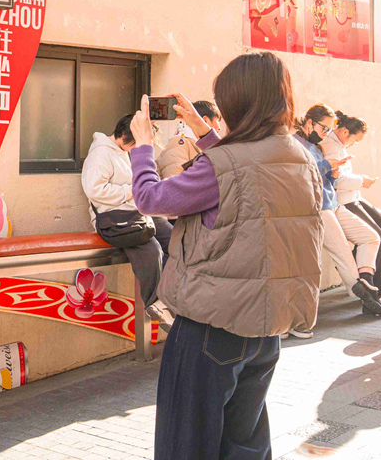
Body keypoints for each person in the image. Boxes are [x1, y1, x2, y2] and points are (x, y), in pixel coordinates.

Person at [128, 52, 322, 460]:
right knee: (245, 445)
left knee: (187, 445)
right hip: (267, 329)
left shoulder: (223, 165)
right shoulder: (302, 158)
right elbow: (245, 175)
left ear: (237, 103)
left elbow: (150, 198)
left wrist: (143, 148)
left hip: (209, 329)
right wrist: (205, 134)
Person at [81, 114, 174, 330]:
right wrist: (133, 191)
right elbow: (95, 190)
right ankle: (157, 304)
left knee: (175, 240)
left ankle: (172, 296)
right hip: (114, 220)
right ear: (123, 133)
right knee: (152, 250)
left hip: (136, 214)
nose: (136, 147)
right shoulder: (101, 153)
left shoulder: (125, 152)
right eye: (135, 142)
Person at [294, 104, 381, 326]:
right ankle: (368, 297)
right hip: (317, 208)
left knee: (371, 237)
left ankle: (367, 287)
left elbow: (325, 181)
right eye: (325, 129)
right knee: (342, 253)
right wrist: (327, 165)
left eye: (329, 130)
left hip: (332, 204)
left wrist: (332, 174)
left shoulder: (316, 146)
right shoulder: (295, 144)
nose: (326, 134)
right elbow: (299, 176)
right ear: (309, 123)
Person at [321, 111, 381, 297]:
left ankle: (375, 285)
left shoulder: (339, 145)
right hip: (344, 201)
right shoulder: (331, 147)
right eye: (354, 141)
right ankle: (375, 290)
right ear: (344, 132)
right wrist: (362, 181)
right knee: (377, 236)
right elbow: (338, 181)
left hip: (353, 198)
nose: (353, 145)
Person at [156, 100, 223, 179]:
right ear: (205, 120)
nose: (220, 128)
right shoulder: (179, 143)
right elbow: (176, 185)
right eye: (217, 120)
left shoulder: (190, 143)